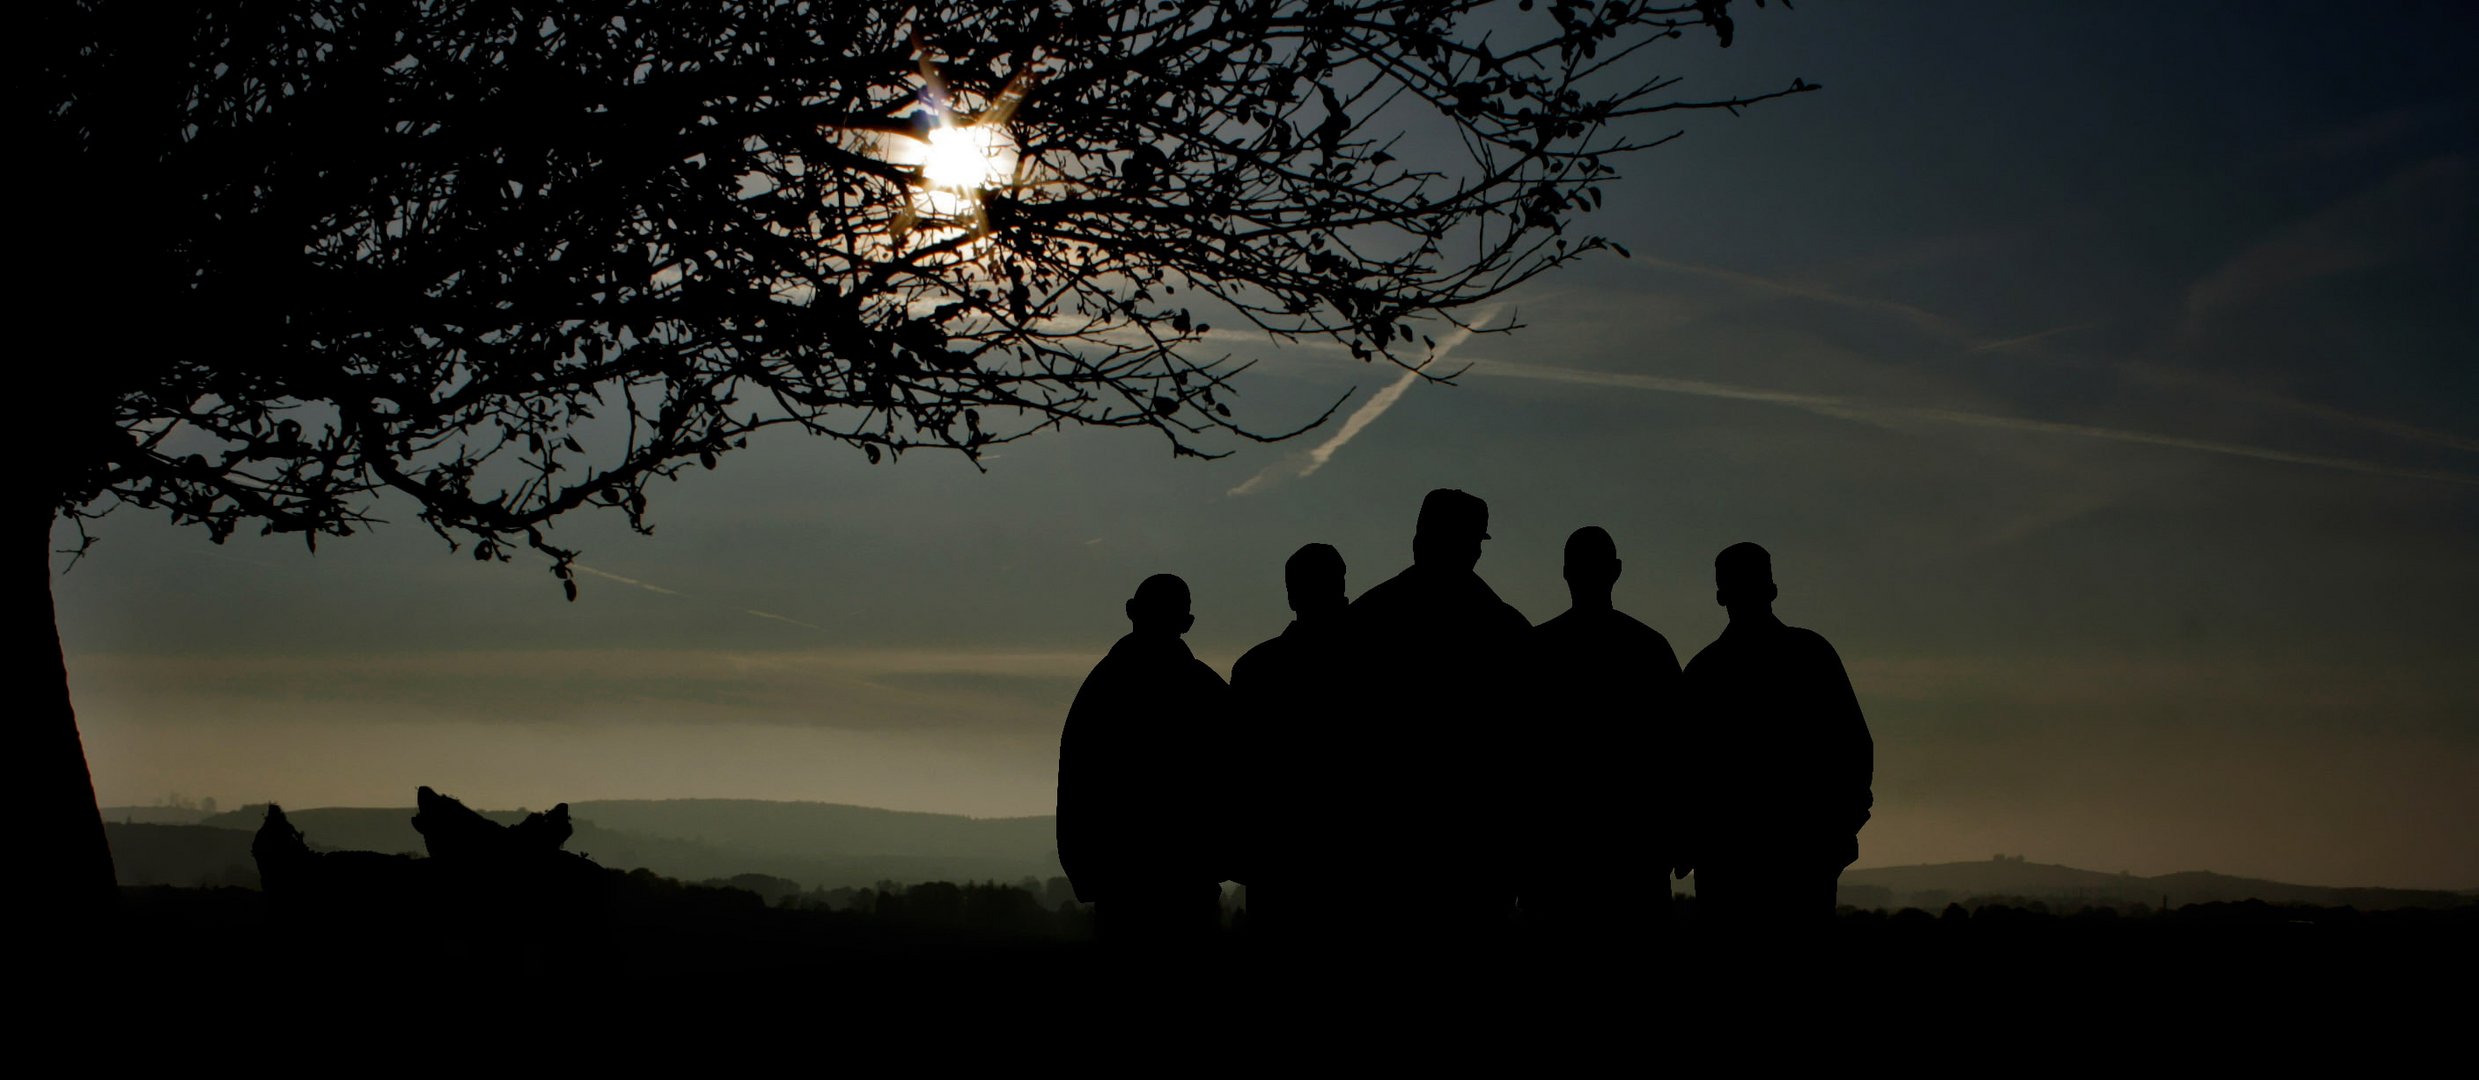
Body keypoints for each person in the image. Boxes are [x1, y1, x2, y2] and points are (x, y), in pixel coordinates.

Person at [1348, 489, 1532, 943]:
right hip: (1475, 856)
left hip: (1385, 853)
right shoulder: (1506, 629)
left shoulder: (1367, 618)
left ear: (1420, 538)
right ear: (1472, 546)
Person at [1679, 542, 1873, 930]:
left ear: (1720, 595)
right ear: (1773, 589)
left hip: (1729, 864)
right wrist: (1839, 830)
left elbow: (1680, 771)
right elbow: (1855, 748)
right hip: (1802, 857)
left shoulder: (1703, 672)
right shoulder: (1812, 654)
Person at [1521, 526, 1683, 946]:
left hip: (1555, 861)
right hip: (1633, 860)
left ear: (1564, 573)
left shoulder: (1534, 651)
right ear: (1617, 571)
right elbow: (1683, 753)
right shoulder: (1650, 650)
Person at [1055, 574, 1233, 949]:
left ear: (1131, 612)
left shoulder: (1100, 689)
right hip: (1187, 877)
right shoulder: (1206, 690)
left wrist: (1087, 872)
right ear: (1186, 623)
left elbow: (1075, 785)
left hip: (1121, 881)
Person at [1229, 543, 1354, 947]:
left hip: (1278, 862)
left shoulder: (1257, 669)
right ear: (1342, 584)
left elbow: (1238, 773)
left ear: (1290, 594)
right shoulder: (1385, 659)